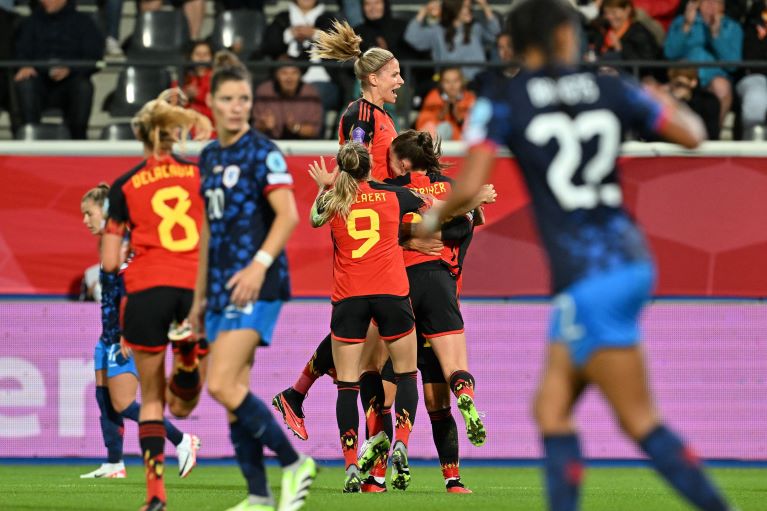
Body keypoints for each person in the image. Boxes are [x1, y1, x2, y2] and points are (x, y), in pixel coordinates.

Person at [421, 1, 733, 510]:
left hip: (592, 275)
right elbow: (695, 136)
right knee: (550, 408)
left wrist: (432, 220)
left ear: (517, 44)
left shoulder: (504, 96)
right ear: (565, 36)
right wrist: (654, 95)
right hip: (625, 257)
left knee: (638, 421)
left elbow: (472, 183)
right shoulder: (609, 85)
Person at [190, 51, 316, 511]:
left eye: (244, 97)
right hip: (223, 288)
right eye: (228, 98)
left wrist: (260, 263)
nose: (237, 105)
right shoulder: (207, 157)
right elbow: (208, 231)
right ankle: (259, 497)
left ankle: (293, 462)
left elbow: (288, 215)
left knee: (221, 383)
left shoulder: (263, 152)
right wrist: (198, 298)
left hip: (259, 284)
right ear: (212, 102)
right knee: (232, 393)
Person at [271, 20, 404, 455]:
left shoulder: (377, 115)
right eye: (393, 74)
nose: (400, 80)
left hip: (377, 216)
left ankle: (298, 394)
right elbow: (357, 163)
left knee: (365, 331)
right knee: (366, 330)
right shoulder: (362, 116)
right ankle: (367, 441)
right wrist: (339, 187)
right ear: (372, 78)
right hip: (365, 218)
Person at [102, 91, 211, 511]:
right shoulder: (200, 174)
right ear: (174, 134)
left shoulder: (124, 186)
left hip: (147, 288)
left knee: (150, 399)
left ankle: (155, 495)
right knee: (184, 406)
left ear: (141, 137)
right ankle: (186, 358)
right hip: (192, 287)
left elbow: (111, 262)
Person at [375, 129, 494, 494]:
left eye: (394, 157)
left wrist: (412, 231)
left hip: (401, 288)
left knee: (390, 378)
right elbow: (465, 227)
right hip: (443, 285)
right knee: (446, 385)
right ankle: (453, 478)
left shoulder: (392, 192)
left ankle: (379, 470)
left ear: (405, 161)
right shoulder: (455, 190)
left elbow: (386, 231)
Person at [308, 142, 425, 493]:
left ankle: (350, 468)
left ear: (343, 168)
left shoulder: (334, 200)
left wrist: (326, 186)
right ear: (371, 166)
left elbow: (315, 218)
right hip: (391, 293)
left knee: (347, 384)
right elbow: (430, 211)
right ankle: (401, 442)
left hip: (349, 297)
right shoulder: (395, 195)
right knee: (406, 374)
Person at [79, 183, 201, 481]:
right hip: (107, 332)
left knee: (124, 403)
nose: (85, 220)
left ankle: (182, 440)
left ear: (105, 211)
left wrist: (127, 329)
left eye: (88, 213)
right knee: (104, 397)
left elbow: (135, 286)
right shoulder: (108, 243)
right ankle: (113, 463)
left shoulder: (128, 243)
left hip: (126, 331)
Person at [13, 0, 105, 139]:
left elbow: (93, 57)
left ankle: (79, 141)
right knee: (25, 83)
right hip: (39, 80)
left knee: (83, 87)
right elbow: (20, 51)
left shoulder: (84, 22)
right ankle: (29, 137)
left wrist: (70, 69)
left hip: (71, 81)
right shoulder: (30, 23)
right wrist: (24, 66)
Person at [664, 0, 743, 127]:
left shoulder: (732, 27)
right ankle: (681, 132)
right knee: (679, 81)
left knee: (721, 86)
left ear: (722, 6)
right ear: (699, 5)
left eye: (716, 2)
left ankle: (714, 135)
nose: (711, 5)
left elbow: (732, 65)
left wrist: (716, 35)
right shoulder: (681, 22)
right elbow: (670, 53)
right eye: (706, 1)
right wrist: (686, 26)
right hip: (686, 75)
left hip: (714, 78)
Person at [262, 0, 340, 114]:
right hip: (286, 81)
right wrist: (288, 34)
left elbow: (342, 46)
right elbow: (269, 47)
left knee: (311, 95)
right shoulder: (282, 19)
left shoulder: (330, 19)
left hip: (323, 82)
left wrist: (315, 34)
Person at [404, 0, 501, 82]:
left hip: (477, 82)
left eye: (470, 6)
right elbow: (411, 37)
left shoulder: (475, 28)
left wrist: (485, 6)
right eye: (465, 7)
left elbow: (496, 34)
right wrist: (424, 10)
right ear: (453, 9)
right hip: (449, 85)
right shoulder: (438, 31)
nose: (470, 9)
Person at [253, 55, 323, 140]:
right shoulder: (264, 92)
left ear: (300, 75)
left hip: (302, 146)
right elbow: (253, 129)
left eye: (294, 73)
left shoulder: (310, 93)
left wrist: (296, 128)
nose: (289, 78)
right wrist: (264, 125)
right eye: (284, 73)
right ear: (276, 75)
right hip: (270, 143)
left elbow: (315, 130)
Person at [596, 0, 661, 78]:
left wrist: (620, 48)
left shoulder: (639, 33)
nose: (609, 17)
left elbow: (647, 65)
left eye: (614, 12)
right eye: (606, 13)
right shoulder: (604, 31)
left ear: (627, 10)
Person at [415, 67, 476, 141]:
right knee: (444, 127)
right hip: (438, 143)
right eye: (447, 81)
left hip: (464, 144)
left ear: (462, 82)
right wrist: (440, 116)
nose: (452, 85)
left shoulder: (469, 99)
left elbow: (475, 126)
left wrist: (459, 119)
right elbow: (422, 125)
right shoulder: (433, 97)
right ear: (441, 84)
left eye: (456, 81)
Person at [736, 0, 767, 140]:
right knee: (756, 96)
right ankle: (751, 151)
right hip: (756, 76)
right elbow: (751, 57)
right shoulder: (755, 22)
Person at [667, 67, 721, 139]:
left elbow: (711, 134)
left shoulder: (708, 101)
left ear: (693, 82)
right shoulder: (666, 101)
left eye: (680, 84)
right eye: (673, 84)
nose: (675, 89)